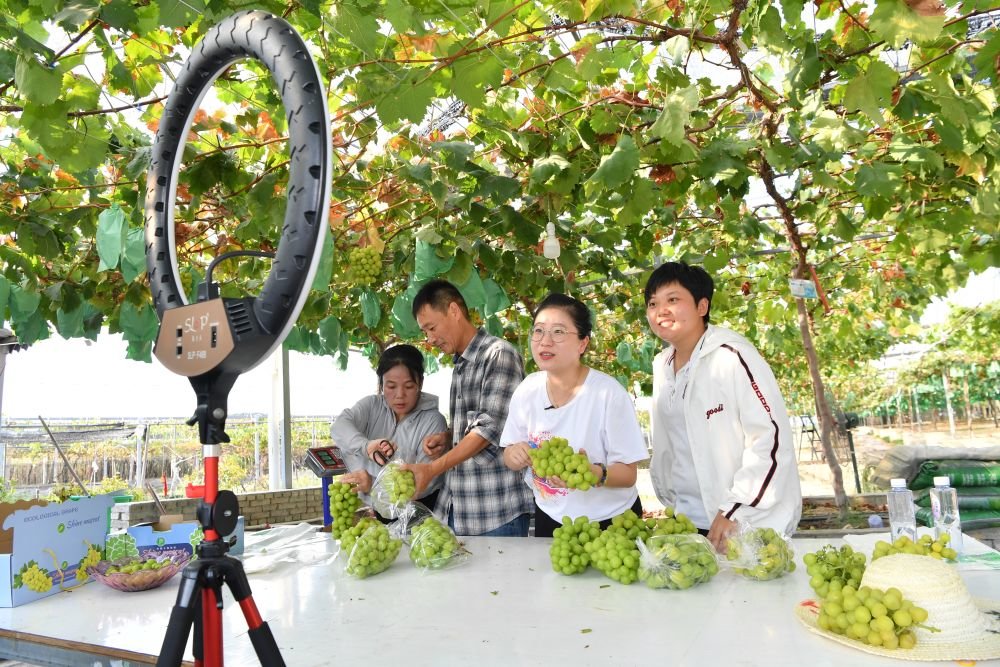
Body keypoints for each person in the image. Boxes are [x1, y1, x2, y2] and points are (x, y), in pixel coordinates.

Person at [644, 261, 802, 552]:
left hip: (739, 521)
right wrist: (671, 502)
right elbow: (669, 444)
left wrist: (736, 508)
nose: (660, 310)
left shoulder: (732, 356)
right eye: (653, 303)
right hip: (688, 521)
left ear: (702, 306)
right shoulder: (662, 366)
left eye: (673, 299)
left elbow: (771, 437)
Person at [500, 293, 648, 537]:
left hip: (611, 521)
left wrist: (594, 474)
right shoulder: (527, 390)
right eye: (538, 331)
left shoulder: (608, 394)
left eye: (558, 332)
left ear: (582, 343)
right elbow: (508, 452)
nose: (544, 341)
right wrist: (513, 455)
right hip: (551, 517)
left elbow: (629, 474)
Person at [400, 279, 534, 537]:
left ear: (453, 310)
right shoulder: (461, 366)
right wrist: (448, 437)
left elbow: (488, 430)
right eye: (424, 332)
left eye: (431, 327)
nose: (429, 339)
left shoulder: (498, 355)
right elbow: (473, 424)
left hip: (496, 511)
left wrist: (431, 469)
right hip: (459, 508)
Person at [330, 344, 447, 513]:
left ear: (420, 383)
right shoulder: (371, 406)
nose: (400, 395)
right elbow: (340, 426)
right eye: (391, 386)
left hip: (415, 517)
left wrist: (373, 484)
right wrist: (366, 446)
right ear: (382, 384)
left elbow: (423, 485)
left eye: (408, 386)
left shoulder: (433, 422)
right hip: (372, 511)